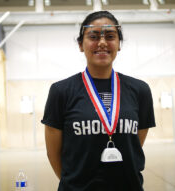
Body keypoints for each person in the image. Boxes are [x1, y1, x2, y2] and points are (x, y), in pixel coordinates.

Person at [42, 11, 155, 191]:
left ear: (119, 44)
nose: (102, 42)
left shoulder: (140, 90)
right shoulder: (61, 91)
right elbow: (53, 153)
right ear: (81, 44)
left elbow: (134, 144)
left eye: (110, 36)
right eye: (93, 36)